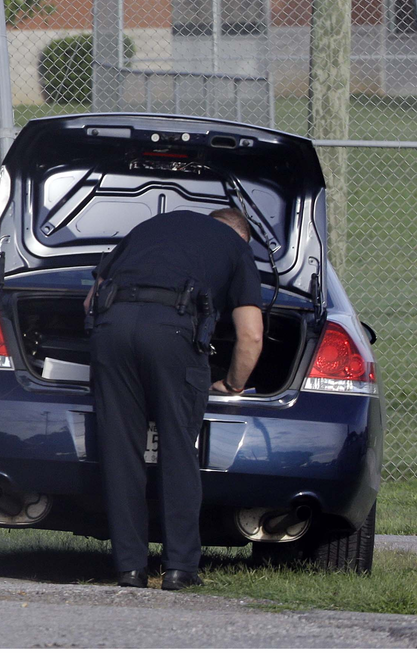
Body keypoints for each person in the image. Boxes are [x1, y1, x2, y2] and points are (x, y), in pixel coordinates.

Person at [89, 206, 265, 590]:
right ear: (241, 235)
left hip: (112, 330)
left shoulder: (149, 227)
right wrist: (233, 384)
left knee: (120, 452)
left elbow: (91, 301)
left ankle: (130, 569)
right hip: (171, 335)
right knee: (178, 449)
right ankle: (180, 568)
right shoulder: (235, 247)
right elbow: (251, 335)